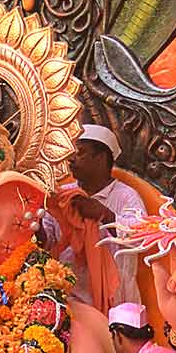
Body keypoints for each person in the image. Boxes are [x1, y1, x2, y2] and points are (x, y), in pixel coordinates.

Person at [66, 124, 146, 307]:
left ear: (100, 159)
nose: (71, 159)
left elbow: (142, 238)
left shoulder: (126, 196)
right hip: (70, 298)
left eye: (80, 153)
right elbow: (50, 240)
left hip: (117, 302)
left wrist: (105, 215)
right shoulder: (64, 195)